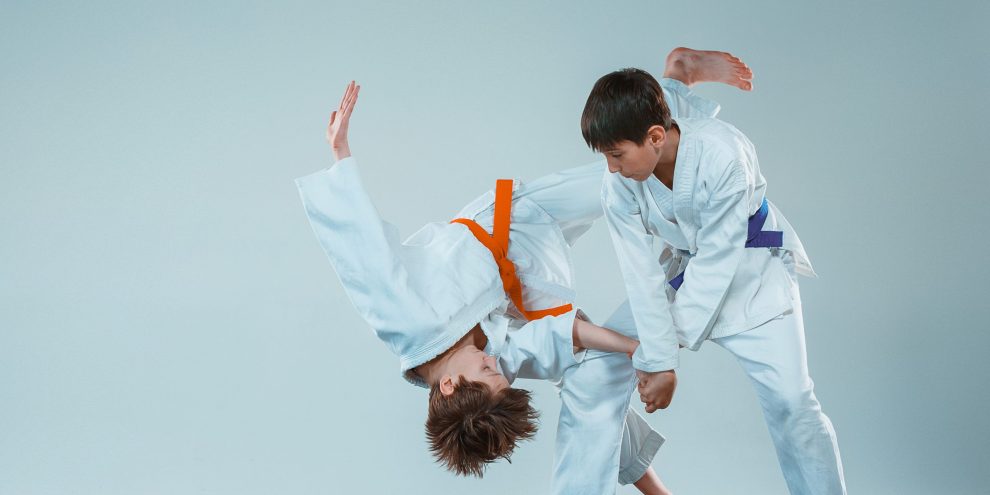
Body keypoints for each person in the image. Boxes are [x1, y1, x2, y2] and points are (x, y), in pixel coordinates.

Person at [298, 47, 749, 494]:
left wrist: (340, 155)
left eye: (488, 369)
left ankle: (676, 80)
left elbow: (364, 257)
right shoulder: (488, 370)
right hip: (528, 292)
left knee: (639, 170)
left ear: (451, 385)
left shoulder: (406, 323)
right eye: (499, 373)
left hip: (511, 223)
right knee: (590, 378)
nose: (497, 365)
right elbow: (565, 334)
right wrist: (642, 350)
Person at [582, 50, 846, 494]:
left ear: (652, 137)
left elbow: (717, 263)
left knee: (793, 404)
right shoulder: (619, 182)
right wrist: (655, 357)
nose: (610, 166)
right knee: (593, 370)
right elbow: (640, 273)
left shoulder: (725, 154)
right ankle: (677, 76)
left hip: (749, 266)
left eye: (616, 154)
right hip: (685, 262)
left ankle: (677, 77)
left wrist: (662, 362)